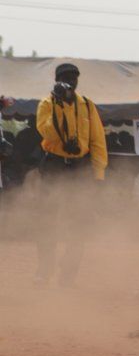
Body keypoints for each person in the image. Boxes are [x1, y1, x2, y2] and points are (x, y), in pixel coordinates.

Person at [33, 63, 108, 286]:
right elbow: (47, 132)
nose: (71, 82)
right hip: (54, 165)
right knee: (47, 221)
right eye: (66, 78)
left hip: (80, 169)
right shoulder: (46, 104)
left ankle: (68, 274)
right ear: (57, 80)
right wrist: (61, 105)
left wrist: (98, 174)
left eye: (74, 78)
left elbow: (97, 141)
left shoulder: (87, 105)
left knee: (79, 223)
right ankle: (44, 271)